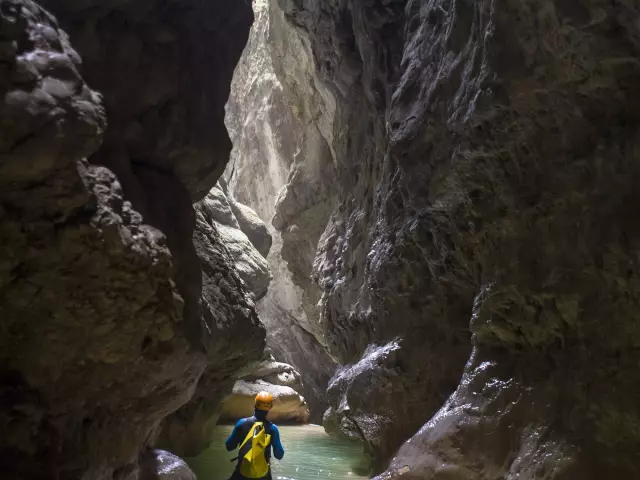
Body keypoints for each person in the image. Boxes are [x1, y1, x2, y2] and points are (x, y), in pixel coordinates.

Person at [225, 391, 285, 480]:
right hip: (263, 475)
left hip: (241, 474)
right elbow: (279, 455)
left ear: (255, 404)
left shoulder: (242, 423)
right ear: (270, 407)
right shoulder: (273, 429)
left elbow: (229, 446)